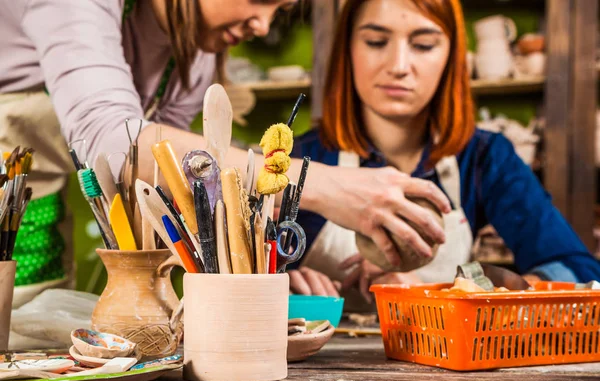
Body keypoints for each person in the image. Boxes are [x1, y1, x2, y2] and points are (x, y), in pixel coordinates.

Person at [0, 0, 447, 307]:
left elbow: (159, 194)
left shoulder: (194, 54)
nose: (262, 26)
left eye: (280, 9)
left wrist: (249, 273)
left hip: (42, 241)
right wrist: (326, 186)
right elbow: (115, 144)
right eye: (259, 0)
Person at [287, 0, 600, 305]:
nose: (398, 66)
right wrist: (278, 283)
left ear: (453, 56)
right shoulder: (299, 161)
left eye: (423, 45)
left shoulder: (484, 158)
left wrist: (443, 292)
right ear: (347, 51)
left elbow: (580, 274)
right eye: (376, 41)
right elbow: (241, 269)